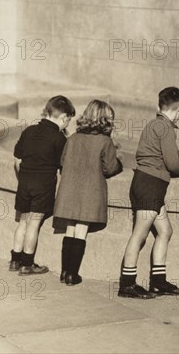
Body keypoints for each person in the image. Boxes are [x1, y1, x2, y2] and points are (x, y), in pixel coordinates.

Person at [119, 87, 179, 299]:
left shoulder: (154, 124)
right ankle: (127, 285)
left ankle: (158, 283)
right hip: (151, 186)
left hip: (144, 184)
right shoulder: (167, 128)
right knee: (139, 235)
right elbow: (172, 163)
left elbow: (156, 149)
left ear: (158, 106)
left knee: (165, 231)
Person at [53, 100, 123, 285]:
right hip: (90, 192)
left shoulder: (73, 138)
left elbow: (62, 161)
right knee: (81, 230)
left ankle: (64, 272)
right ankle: (73, 274)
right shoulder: (104, 141)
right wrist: (119, 159)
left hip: (69, 190)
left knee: (70, 229)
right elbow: (110, 168)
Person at [9, 95, 76, 275]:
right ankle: (27, 264)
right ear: (64, 118)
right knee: (34, 223)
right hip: (43, 185)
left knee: (23, 221)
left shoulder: (29, 131)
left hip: (24, 181)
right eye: (67, 121)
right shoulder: (58, 138)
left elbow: (17, 159)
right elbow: (64, 166)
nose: (66, 125)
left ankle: (15, 260)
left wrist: (22, 178)